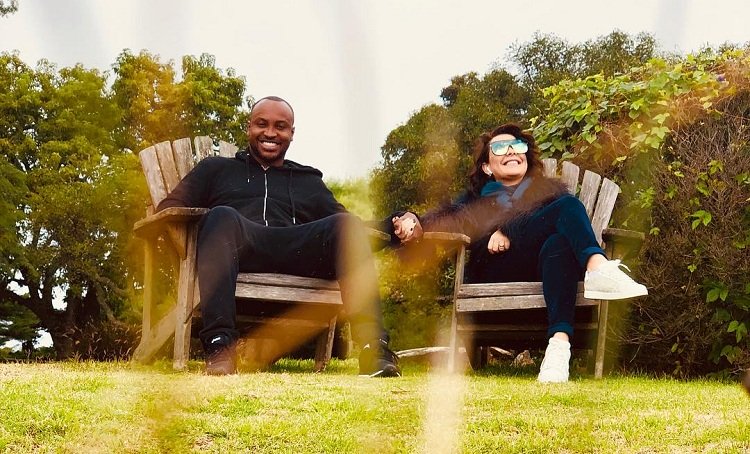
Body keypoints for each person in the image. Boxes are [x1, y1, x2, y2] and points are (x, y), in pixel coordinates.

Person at [157, 96, 400, 377]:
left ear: (291, 133)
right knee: (222, 215)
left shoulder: (308, 181)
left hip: (297, 256)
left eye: (280, 126)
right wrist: (183, 239)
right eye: (262, 124)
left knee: (345, 225)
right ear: (249, 127)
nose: (270, 133)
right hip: (239, 250)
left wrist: (395, 225)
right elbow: (169, 208)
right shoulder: (216, 169)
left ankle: (374, 350)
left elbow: (353, 230)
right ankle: (220, 348)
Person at [388, 123, 647, 383]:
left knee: (559, 243)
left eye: (517, 145)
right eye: (500, 147)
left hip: (550, 276)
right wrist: (415, 224)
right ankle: (598, 267)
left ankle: (558, 348)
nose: (511, 150)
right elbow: (444, 221)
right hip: (494, 275)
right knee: (568, 205)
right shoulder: (474, 202)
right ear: (487, 167)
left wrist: (508, 229)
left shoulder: (550, 195)